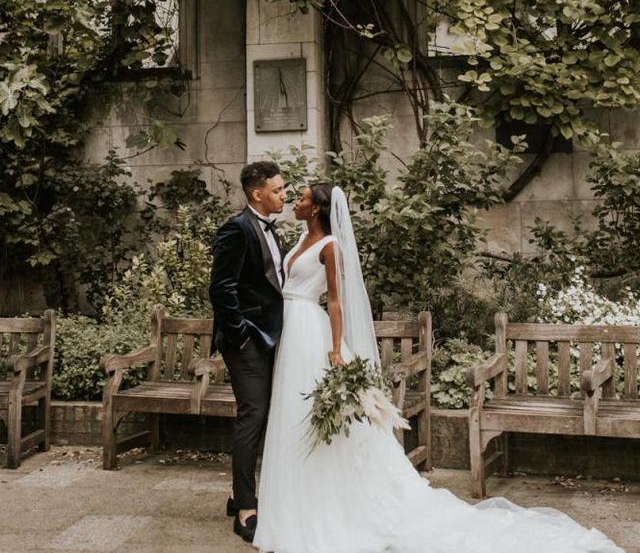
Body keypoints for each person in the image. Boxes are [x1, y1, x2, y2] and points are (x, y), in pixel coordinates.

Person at [253, 182, 623, 553]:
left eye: (300, 198)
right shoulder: (298, 239)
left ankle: (329, 505)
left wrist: (335, 349)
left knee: (319, 418)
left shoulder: (330, 247)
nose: (294, 203)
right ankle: (297, 499)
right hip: (291, 333)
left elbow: (335, 300)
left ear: (317, 208)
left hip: (312, 335)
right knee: (291, 413)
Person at [209, 161, 286, 543]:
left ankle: (239, 493)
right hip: (249, 342)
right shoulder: (236, 230)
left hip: (272, 339)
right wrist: (240, 336)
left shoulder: (272, 230)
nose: (283, 195)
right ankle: (245, 511)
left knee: (264, 416)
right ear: (258, 194)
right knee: (252, 418)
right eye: (277, 190)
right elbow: (221, 289)